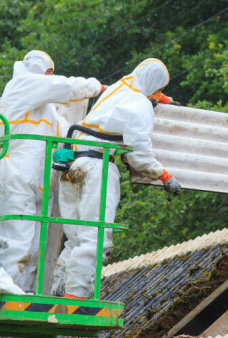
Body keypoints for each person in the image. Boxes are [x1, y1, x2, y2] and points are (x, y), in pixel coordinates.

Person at [53, 58, 181, 298]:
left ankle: (58, 295)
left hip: (71, 163)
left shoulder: (117, 90)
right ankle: (75, 299)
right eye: (160, 89)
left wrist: (159, 99)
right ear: (154, 85)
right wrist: (164, 176)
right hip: (95, 168)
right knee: (95, 238)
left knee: (75, 239)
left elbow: (133, 93)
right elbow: (139, 154)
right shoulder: (139, 104)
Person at [0, 50, 102, 292]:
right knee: (17, 242)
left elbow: (68, 131)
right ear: (48, 71)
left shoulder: (45, 111)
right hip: (18, 175)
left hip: (36, 181)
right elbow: (64, 87)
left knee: (31, 247)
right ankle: (6, 293)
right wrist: (96, 87)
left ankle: (23, 294)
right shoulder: (23, 83)